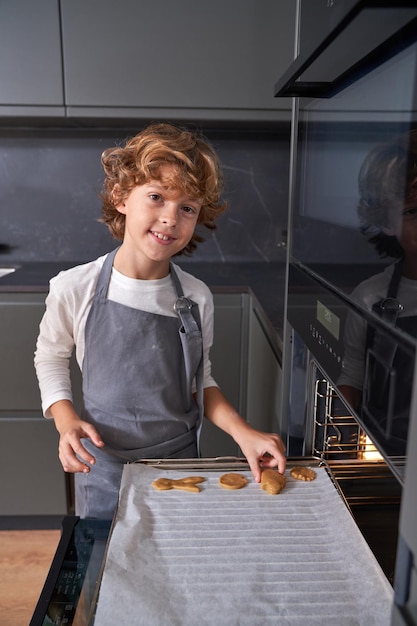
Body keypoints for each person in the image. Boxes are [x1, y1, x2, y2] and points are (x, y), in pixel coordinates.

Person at [34, 122, 286, 518]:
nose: (170, 218)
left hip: (180, 464)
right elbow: (50, 358)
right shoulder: (74, 287)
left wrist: (244, 433)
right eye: (156, 197)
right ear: (120, 197)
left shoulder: (196, 297)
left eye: (187, 208)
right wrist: (67, 422)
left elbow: (201, 381)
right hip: (103, 466)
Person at [338, 130, 417, 455]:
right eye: (413, 212)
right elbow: (353, 373)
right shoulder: (371, 297)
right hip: (389, 460)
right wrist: (341, 435)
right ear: (386, 221)